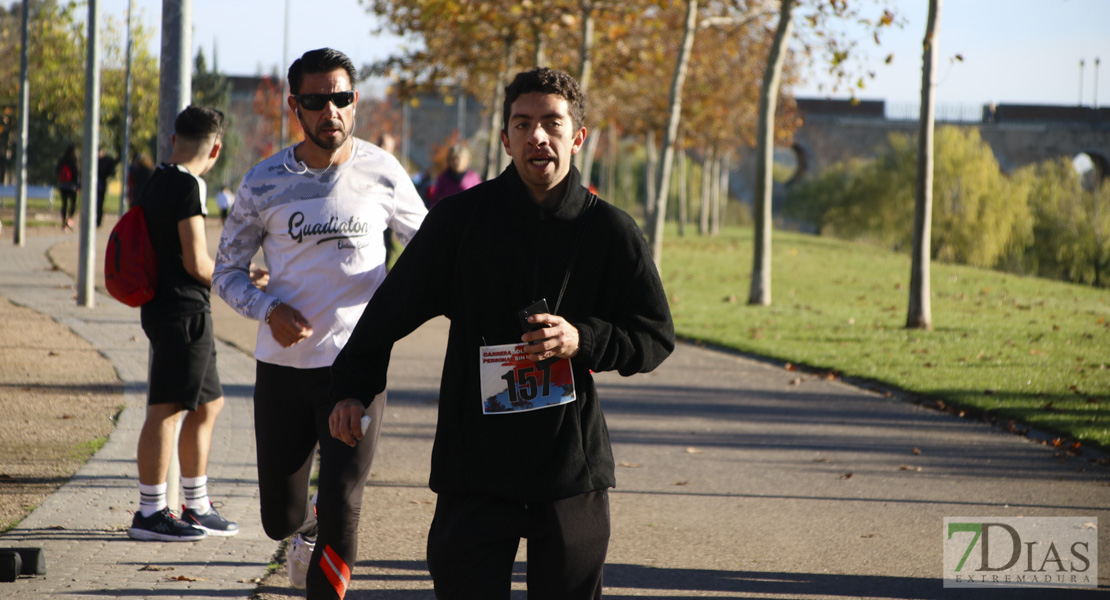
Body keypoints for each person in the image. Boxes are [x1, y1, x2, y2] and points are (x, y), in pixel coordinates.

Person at [329, 67, 675, 598]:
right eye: (523, 123)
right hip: (475, 466)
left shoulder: (610, 231)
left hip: (569, 469)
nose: (538, 136)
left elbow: (652, 335)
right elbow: (390, 310)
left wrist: (581, 339)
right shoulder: (459, 222)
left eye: (552, 124)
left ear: (577, 137)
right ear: (505, 137)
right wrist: (352, 387)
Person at [212, 47, 427, 598]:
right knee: (279, 519)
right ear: (295, 106)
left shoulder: (382, 172)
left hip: (356, 370)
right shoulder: (263, 182)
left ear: (354, 102)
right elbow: (227, 273)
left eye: (341, 98)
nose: (330, 110)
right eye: (316, 100)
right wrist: (268, 309)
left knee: (342, 501)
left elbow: (429, 251)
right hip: (283, 369)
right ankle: (303, 527)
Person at [127, 106, 239, 542]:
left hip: (173, 308)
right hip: (181, 311)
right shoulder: (188, 185)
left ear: (175, 140)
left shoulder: (157, 179)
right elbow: (196, 261)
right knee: (168, 409)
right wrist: (238, 279)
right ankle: (151, 513)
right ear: (216, 148)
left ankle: (196, 504)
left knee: (208, 405)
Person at [427, 144, 481, 208]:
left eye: (459, 159)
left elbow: (480, 197)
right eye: (453, 159)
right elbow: (435, 199)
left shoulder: (473, 177)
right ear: (449, 160)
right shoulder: (443, 177)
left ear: (466, 160)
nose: (456, 162)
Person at [55, 144, 80, 231]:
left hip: (63, 185)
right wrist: (78, 185)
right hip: (72, 186)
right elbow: (76, 173)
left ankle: (63, 221)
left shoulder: (62, 160)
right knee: (73, 204)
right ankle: (69, 219)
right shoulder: (74, 160)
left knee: (64, 204)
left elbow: (57, 170)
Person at [96, 149, 120, 228]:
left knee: (98, 204)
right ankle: (98, 221)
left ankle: (97, 220)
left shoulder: (101, 161)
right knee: (99, 204)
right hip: (101, 185)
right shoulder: (105, 161)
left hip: (100, 185)